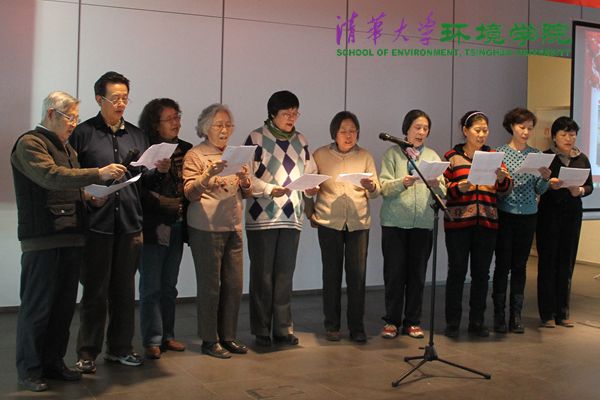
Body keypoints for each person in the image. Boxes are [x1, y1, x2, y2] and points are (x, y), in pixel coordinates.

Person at [11, 91, 126, 391]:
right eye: (69, 117)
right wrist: (98, 174)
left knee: (63, 308)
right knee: (38, 308)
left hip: (72, 235)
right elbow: (50, 176)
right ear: (51, 114)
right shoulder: (30, 143)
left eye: (76, 117)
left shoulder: (67, 148)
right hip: (43, 238)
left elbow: (67, 185)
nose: (74, 123)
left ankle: (53, 362)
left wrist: (88, 196)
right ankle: (30, 369)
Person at [69, 71, 170, 373]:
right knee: (95, 292)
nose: (121, 103)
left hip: (129, 223)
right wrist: (90, 192)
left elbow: (144, 179)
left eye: (125, 98)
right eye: (115, 98)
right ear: (99, 99)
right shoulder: (83, 133)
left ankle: (120, 348)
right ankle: (87, 352)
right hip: (96, 223)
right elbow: (71, 177)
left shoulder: (137, 135)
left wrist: (159, 170)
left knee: (125, 292)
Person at [244, 90, 318, 347]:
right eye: (286, 113)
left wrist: (312, 188)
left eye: (295, 113)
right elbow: (246, 177)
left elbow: (311, 171)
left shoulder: (301, 140)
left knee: (285, 275)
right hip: (261, 217)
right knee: (262, 276)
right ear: (272, 114)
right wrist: (268, 189)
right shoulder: (257, 138)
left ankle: (283, 328)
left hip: (291, 215)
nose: (291, 118)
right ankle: (261, 329)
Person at [183, 104, 252, 358]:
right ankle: (209, 339)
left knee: (234, 285)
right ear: (205, 127)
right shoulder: (195, 155)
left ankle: (228, 336)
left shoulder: (236, 154)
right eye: (219, 125)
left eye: (228, 125)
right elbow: (190, 193)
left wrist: (245, 180)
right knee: (210, 286)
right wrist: (208, 176)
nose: (224, 130)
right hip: (206, 227)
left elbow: (247, 192)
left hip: (233, 225)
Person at [306, 111, 379, 343]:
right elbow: (308, 186)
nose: (348, 135)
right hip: (329, 221)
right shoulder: (320, 155)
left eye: (353, 131)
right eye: (343, 131)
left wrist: (370, 186)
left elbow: (376, 191)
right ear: (334, 133)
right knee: (332, 275)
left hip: (358, 222)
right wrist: (310, 209)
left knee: (357, 276)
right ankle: (332, 326)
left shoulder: (365, 156)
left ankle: (357, 327)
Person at [443, 111, 513, 338]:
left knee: (482, 274)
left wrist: (502, 179)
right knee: (457, 272)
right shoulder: (452, 157)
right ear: (465, 130)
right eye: (477, 130)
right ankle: (453, 322)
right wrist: (458, 187)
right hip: (458, 223)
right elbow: (442, 188)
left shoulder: (494, 156)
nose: (482, 135)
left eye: (485, 130)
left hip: (487, 221)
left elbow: (506, 188)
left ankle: (477, 321)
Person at [379, 110, 446, 340]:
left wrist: (436, 184)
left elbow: (444, 191)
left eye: (425, 128)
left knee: (417, 275)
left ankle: (413, 321)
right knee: (395, 274)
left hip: (423, 224)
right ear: (406, 129)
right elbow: (384, 188)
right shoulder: (393, 154)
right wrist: (403, 182)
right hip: (395, 223)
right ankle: (391, 321)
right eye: (417, 127)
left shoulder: (432, 156)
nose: (421, 132)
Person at [138, 99, 192, 359]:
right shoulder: (145, 149)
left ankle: (168, 335)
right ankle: (152, 338)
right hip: (153, 224)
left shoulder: (186, 149)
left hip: (178, 223)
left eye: (177, 117)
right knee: (151, 286)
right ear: (155, 124)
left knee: (170, 285)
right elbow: (140, 187)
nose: (176, 123)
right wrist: (160, 173)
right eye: (169, 119)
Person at [492, 108, 551, 334]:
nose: (526, 132)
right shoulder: (499, 153)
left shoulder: (536, 155)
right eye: (521, 127)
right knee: (502, 265)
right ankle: (499, 315)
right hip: (505, 214)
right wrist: (501, 180)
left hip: (529, 215)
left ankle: (515, 316)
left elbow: (539, 189)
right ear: (511, 127)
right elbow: (496, 189)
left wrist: (544, 179)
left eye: (529, 128)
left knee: (520, 266)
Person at [536, 117, 592, 328]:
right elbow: (537, 185)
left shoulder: (582, 158)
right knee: (548, 262)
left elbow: (589, 186)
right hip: (549, 215)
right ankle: (547, 314)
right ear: (554, 137)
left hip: (572, 215)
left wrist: (581, 190)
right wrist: (549, 184)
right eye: (564, 134)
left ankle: (563, 312)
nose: (569, 138)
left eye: (572, 134)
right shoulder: (545, 158)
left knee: (566, 263)